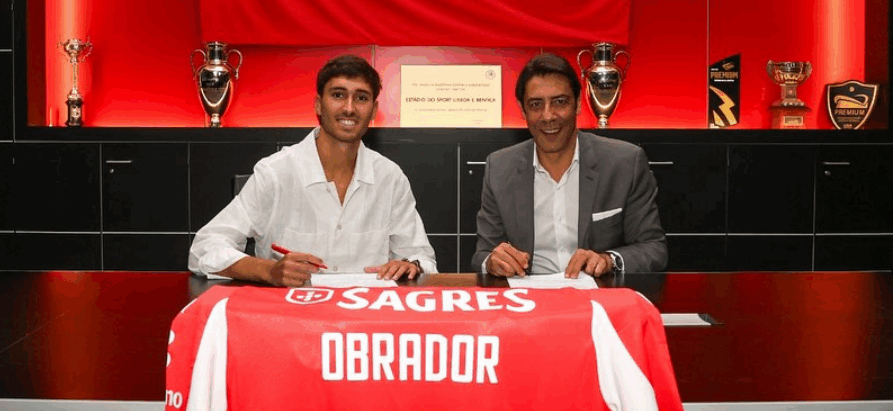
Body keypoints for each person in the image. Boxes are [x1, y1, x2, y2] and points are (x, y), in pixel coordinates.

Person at [189, 55, 436, 286]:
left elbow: (423, 260)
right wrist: (268, 270)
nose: (349, 108)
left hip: (365, 315)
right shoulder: (275, 172)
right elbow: (203, 249)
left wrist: (410, 265)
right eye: (338, 95)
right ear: (318, 104)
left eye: (361, 98)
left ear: (373, 110)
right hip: (289, 314)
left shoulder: (390, 177)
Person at [472, 53, 667, 278]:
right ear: (523, 110)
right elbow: (482, 255)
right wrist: (492, 262)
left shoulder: (624, 162)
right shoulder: (499, 168)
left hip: (597, 295)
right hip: (530, 295)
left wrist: (608, 261)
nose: (548, 116)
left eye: (559, 102)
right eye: (536, 104)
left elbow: (654, 249)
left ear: (578, 104)